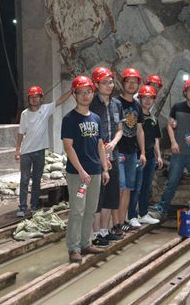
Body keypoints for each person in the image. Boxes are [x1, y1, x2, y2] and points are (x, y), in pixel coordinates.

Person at [148, 78, 190, 224]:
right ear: (185, 92)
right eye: (189, 89)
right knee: (171, 182)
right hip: (178, 153)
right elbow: (170, 126)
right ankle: (162, 208)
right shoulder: (177, 107)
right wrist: (173, 142)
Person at [61, 76, 109, 263]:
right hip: (78, 174)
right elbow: (68, 147)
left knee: (90, 210)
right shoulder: (69, 119)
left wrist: (104, 168)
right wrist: (81, 171)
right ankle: (73, 248)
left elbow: (100, 145)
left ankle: (85, 243)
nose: (85, 95)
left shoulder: (96, 118)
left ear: (92, 93)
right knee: (77, 211)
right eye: (80, 92)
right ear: (74, 95)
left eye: (88, 91)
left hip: (95, 172)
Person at [15, 85, 72, 217]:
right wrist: (17, 149)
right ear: (29, 99)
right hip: (26, 152)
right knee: (24, 180)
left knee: (36, 180)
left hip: (40, 151)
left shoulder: (45, 109)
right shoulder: (24, 114)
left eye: (37, 97)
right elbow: (20, 133)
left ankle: (34, 206)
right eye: (32, 97)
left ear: (41, 98)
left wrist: (71, 91)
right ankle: (22, 207)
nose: (34, 99)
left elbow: (60, 101)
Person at [90, 67, 124, 246]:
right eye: (104, 82)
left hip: (113, 154)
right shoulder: (91, 104)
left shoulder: (117, 104)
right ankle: (95, 233)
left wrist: (114, 143)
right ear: (96, 85)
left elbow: (120, 129)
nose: (109, 85)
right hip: (96, 156)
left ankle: (105, 230)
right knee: (97, 195)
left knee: (111, 194)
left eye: (111, 82)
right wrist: (102, 146)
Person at [128, 85, 163, 225]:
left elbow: (156, 139)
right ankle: (131, 216)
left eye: (150, 98)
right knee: (136, 187)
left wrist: (158, 156)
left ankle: (143, 213)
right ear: (140, 98)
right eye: (145, 98)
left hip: (150, 157)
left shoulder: (153, 118)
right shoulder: (134, 115)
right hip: (137, 156)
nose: (148, 101)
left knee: (146, 187)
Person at [117, 68, 147, 230]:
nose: (131, 85)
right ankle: (113, 224)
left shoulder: (137, 106)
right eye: (128, 81)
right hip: (118, 151)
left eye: (134, 82)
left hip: (132, 152)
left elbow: (140, 130)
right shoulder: (116, 103)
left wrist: (142, 152)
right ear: (123, 83)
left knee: (128, 188)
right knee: (120, 187)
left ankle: (121, 223)